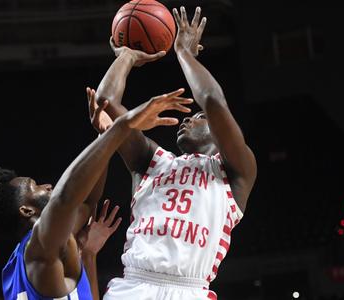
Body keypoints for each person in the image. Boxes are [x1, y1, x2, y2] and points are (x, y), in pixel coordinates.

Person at [93, 6, 257, 300]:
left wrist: (183, 52)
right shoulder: (151, 161)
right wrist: (128, 55)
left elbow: (212, 101)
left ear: (220, 135)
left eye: (199, 118)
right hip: (134, 285)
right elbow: (105, 102)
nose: (187, 118)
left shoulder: (235, 171)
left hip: (189, 290)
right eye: (189, 116)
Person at [0, 89, 193, 300]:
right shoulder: (38, 244)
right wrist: (121, 127)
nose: (47, 185)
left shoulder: (16, 265)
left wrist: (103, 135)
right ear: (26, 210)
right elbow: (66, 199)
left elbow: (85, 200)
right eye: (35, 186)